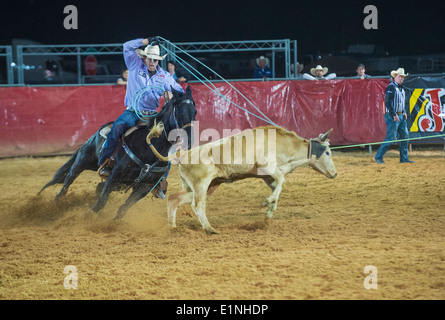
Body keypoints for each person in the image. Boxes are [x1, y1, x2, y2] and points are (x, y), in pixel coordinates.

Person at [98, 36, 184, 191]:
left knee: (168, 140)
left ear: (159, 61)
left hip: (151, 114)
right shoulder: (134, 65)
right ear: (144, 58)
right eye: (150, 58)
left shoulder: (164, 76)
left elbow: (179, 89)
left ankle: (160, 178)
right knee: (118, 127)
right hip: (132, 111)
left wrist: (172, 94)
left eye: (156, 60)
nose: (152, 62)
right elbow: (126, 45)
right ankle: (106, 162)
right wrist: (145, 41)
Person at [374, 68, 414, 164]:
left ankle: (404, 158)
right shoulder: (390, 87)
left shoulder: (401, 88)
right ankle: (378, 157)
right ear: (395, 77)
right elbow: (387, 103)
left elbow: (401, 102)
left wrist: (403, 111)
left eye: (403, 77)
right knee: (391, 137)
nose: (401, 79)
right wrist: (394, 114)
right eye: (400, 77)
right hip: (392, 116)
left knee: (405, 136)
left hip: (400, 116)